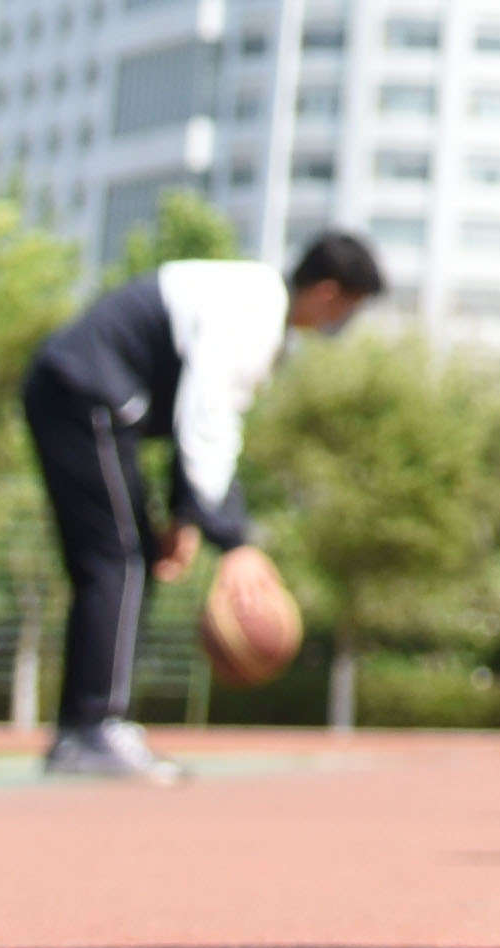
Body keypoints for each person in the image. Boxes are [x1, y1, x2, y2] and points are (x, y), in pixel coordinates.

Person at [19, 233, 377, 780]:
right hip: (85, 391)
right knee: (118, 559)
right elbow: (207, 418)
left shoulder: (255, 308)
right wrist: (234, 542)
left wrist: (186, 517)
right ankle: (91, 728)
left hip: (86, 395)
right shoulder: (254, 307)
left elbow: (199, 414)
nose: (341, 323)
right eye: (347, 309)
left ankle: (86, 726)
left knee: (123, 558)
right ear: (329, 294)